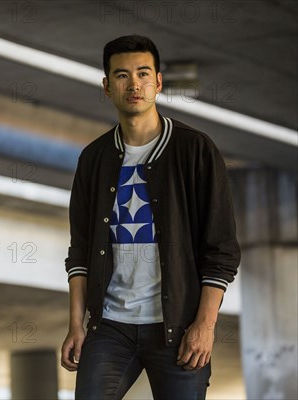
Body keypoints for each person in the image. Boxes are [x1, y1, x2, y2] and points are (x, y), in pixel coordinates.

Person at [60, 35, 241, 399]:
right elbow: (79, 251)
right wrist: (76, 325)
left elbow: (221, 251)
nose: (134, 84)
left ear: (158, 82)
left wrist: (205, 326)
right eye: (122, 76)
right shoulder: (94, 159)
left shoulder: (195, 150)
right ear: (107, 86)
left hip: (177, 328)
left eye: (143, 74)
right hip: (110, 327)